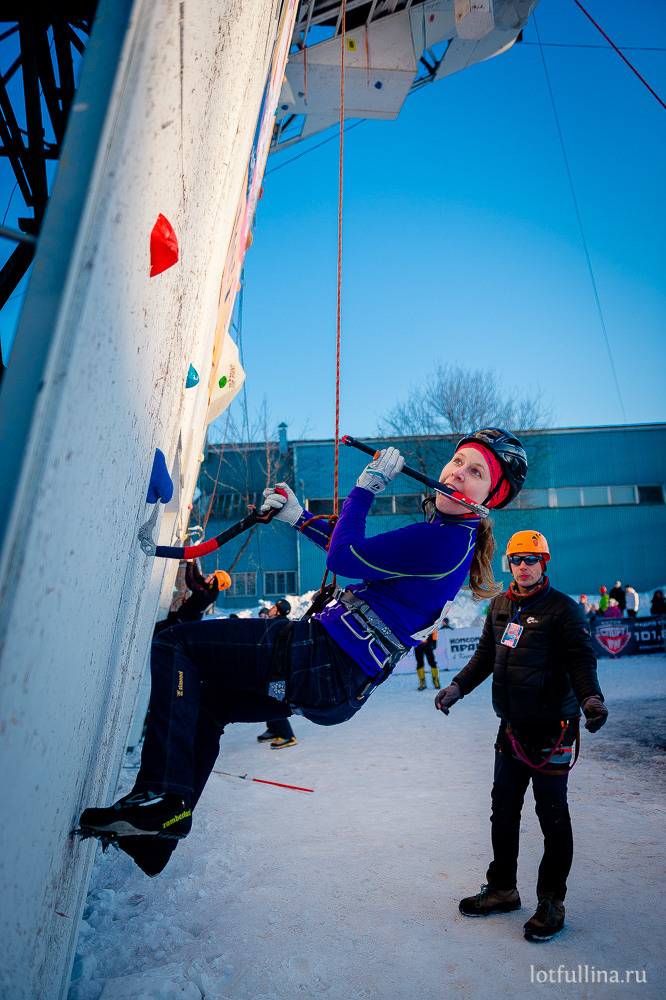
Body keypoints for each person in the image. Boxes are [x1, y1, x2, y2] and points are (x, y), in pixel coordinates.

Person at [77, 428, 527, 876]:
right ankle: (156, 840)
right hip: (338, 683)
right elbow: (356, 553)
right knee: (211, 706)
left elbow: (344, 558)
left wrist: (365, 488)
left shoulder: (443, 540)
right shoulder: (450, 537)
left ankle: (162, 797)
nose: (458, 473)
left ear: (489, 499)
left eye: (476, 473)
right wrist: (298, 517)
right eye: (458, 461)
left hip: (324, 656)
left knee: (176, 644)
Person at [436, 529, 607, 942]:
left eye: (531, 559)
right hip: (510, 728)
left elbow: (581, 662)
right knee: (504, 811)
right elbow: (484, 656)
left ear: (543, 563)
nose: (523, 566)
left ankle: (551, 901)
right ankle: (502, 890)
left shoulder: (564, 610)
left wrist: (591, 699)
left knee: (552, 816)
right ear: (508, 564)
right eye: (516, 559)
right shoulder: (500, 604)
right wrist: (458, 686)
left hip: (554, 731)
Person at [257, 600, 298, 747]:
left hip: (279, 673)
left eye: (274, 607)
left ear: (279, 612)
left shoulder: (280, 625)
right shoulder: (274, 623)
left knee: (275, 703)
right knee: (267, 701)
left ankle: (288, 736)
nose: (270, 609)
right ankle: (273, 729)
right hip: (271, 670)